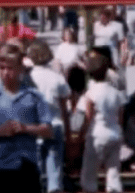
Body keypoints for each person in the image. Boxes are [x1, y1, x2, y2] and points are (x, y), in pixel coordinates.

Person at [0, 51, 53, 193]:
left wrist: (25, 128)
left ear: (20, 69)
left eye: (10, 68)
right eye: (2, 68)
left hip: (27, 163)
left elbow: (48, 130)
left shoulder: (34, 96)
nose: (6, 73)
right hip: (0, 164)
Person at [27, 41, 71, 193]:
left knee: (35, 171)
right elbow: (65, 107)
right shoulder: (57, 78)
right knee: (55, 171)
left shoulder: (28, 79)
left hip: (34, 127)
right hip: (55, 124)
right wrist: (69, 130)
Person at [79, 52, 126, 193]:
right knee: (113, 173)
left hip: (97, 134)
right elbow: (121, 118)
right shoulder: (116, 93)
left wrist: (82, 133)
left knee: (89, 174)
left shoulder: (91, 92)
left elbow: (88, 118)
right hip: (114, 134)